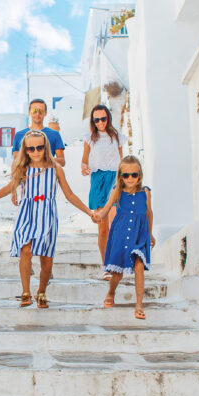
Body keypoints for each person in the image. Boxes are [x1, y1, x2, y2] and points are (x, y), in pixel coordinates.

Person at [0, 131, 95, 308]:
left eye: (39, 147)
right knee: (26, 249)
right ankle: (26, 292)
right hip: (27, 213)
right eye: (31, 149)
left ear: (46, 147)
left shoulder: (56, 169)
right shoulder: (23, 168)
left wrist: (89, 212)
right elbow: (9, 187)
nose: (36, 152)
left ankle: (41, 292)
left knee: (46, 260)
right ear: (26, 150)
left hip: (47, 215)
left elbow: (69, 195)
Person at [94, 156, 155, 320]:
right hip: (121, 234)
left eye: (134, 175)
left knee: (139, 265)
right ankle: (111, 292)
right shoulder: (117, 191)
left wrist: (150, 234)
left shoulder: (146, 192)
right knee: (117, 273)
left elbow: (149, 213)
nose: (130, 179)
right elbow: (106, 209)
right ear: (120, 176)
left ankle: (139, 304)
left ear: (140, 175)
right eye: (126, 175)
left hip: (139, 234)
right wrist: (97, 215)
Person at [81, 105, 123, 278]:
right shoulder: (89, 138)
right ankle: (106, 266)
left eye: (103, 119)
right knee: (102, 227)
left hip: (114, 178)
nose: (100, 122)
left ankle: (114, 263)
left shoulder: (117, 137)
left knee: (113, 223)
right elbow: (84, 160)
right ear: (93, 121)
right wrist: (84, 167)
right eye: (96, 119)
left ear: (108, 118)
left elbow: (122, 159)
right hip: (98, 180)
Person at [12, 99, 65, 167]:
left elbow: (62, 161)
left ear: (45, 113)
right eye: (34, 111)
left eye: (41, 111)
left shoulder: (55, 134)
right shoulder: (18, 135)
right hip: (26, 173)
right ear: (29, 112)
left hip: (48, 173)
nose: (37, 114)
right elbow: (16, 160)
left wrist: (41, 161)